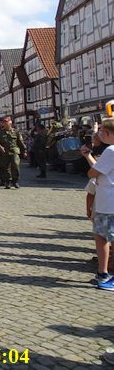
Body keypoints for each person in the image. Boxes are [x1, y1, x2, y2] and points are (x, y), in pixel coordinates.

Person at [81, 118, 114, 291]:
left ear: (107, 133)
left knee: (102, 237)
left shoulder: (110, 150)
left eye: (101, 131)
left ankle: (104, 274)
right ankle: (103, 274)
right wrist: (88, 156)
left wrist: (90, 163)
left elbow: (92, 172)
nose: (98, 134)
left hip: (109, 201)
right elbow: (99, 169)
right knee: (104, 236)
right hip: (108, 200)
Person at [0, 116, 26, 188]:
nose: (5, 124)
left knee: (15, 166)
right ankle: (8, 181)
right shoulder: (0, 132)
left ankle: (15, 181)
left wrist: (24, 151)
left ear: (10, 123)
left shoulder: (16, 132)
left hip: (14, 151)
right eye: (4, 122)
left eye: (6, 122)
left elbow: (20, 142)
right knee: (6, 167)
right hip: (4, 152)